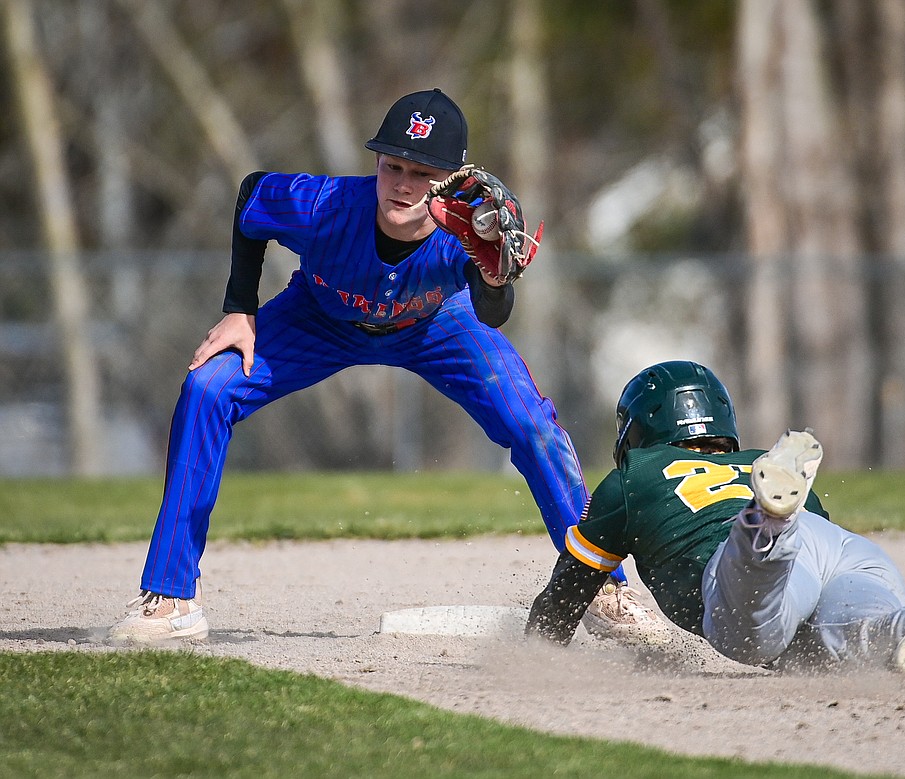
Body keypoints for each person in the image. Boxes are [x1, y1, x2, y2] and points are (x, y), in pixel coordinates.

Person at [108, 88, 653, 643]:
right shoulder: (324, 207)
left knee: (531, 423)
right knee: (206, 388)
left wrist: (493, 277)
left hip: (438, 325)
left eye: (422, 173)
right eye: (392, 165)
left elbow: (494, 314)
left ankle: (602, 586)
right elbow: (253, 198)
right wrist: (239, 309)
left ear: (451, 178)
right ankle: (171, 597)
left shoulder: (468, 230)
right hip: (320, 318)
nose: (402, 183)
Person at [527, 360, 905, 673]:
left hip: (742, 568)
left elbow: (570, 587)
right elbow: (811, 573)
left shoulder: (636, 475)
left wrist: (533, 657)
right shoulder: (750, 460)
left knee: (754, 632)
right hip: (838, 548)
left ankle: (764, 523)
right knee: (852, 640)